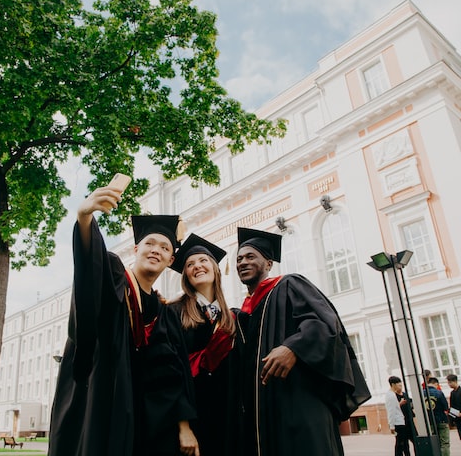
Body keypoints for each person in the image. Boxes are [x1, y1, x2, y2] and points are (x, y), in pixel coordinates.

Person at [48, 183, 198, 456]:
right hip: (97, 390)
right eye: (150, 243)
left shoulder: (163, 313)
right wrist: (84, 218)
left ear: (171, 259)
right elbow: (89, 266)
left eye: (164, 247)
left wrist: (183, 425)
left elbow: (171, 373)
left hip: (136, 408)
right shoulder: (114, 274)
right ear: (136, 248)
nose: (156, 250)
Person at [234, 226, 371, 456]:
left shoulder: (289, 285)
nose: (242, 262)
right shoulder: (244, 314)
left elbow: (324, 323)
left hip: (300, 402)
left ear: (268, 264)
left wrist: (293, 347)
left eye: (250, 256)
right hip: (266, 413)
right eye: (239, 259)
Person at [168, 233, 243, 456]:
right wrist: (183, 426)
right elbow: (169, 371)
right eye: (190, 264)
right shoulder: (174, 313)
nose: (197, 266)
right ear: (185, 276)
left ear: (215, 268)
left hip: (228, 420)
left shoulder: (231, 319)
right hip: (193, 420)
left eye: (203, 260)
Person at [384, 376, 412, 456]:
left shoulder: (392, 394)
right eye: (398, 384)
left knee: (401, 444)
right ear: (393, 384)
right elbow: (391, 411)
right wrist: (392, 425)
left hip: (399, 422)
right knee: (400, 444)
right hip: (398, 423)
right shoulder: (391, 396)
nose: (400, 385)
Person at [423, 376, 450, 456]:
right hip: (441, 420)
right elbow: (445, 407)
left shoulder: (422, 393)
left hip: (429, 422)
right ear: (436, 383)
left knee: (433, 442)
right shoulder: (439, 393)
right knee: (444, 443)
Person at [446, 374, 461, 440]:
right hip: (458, 419)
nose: (449, 384)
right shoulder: (452, 393)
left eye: (450, 382)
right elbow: (452, 406)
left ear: (455, 381)